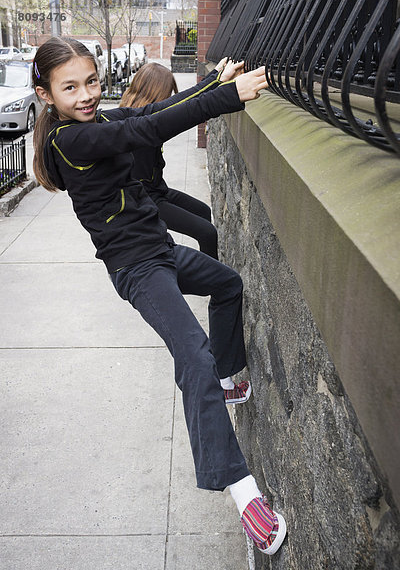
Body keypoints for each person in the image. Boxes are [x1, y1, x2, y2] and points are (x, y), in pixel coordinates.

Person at [32, 36, 287, 556]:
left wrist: (212, 81)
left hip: (159, 249)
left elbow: (153, 112)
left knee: (227, 284)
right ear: (45, 95)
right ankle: (243, 495)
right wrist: (227, 97)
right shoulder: (67, 141)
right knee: (190, 352)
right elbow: (147, 128)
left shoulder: (94, 123)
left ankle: (226, 381)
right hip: (137, 267)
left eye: (92, 82)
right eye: (70, 87)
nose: (86, 95)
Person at [120, 60, 241, 260]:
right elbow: (188, 110)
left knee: (203, 211)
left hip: (157, 189)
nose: (170, 97)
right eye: (167, 93)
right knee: (207, 232)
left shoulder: (141, 114)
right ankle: (216, 285)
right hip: (143, 199)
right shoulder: (140, 126)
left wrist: (217, 76)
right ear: (155, 92)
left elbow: (185, 102)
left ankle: (211, 273)